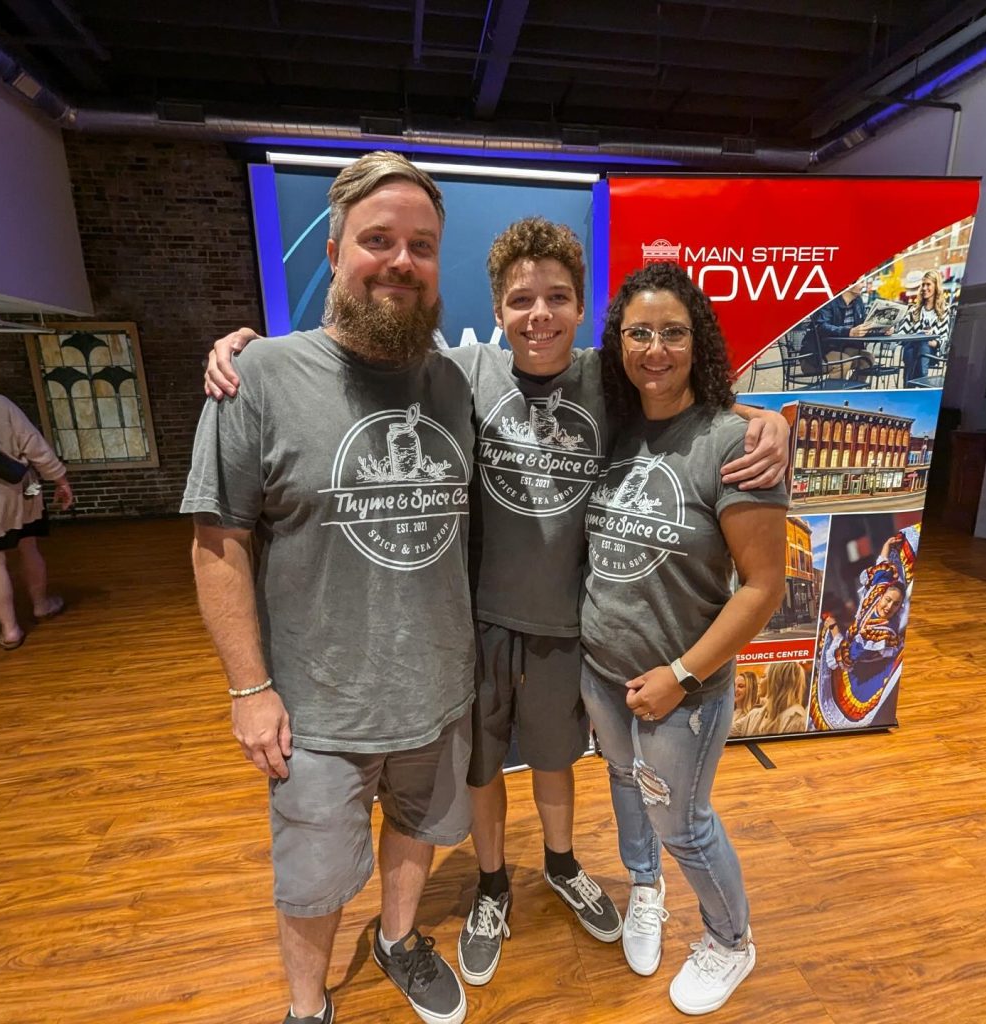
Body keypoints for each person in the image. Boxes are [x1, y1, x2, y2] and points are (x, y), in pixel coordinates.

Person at [203, 219, 790, 993]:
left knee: (555, 759)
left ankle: (560, 862)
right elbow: (356, 358)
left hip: (567, 627)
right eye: (520, 300)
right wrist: (247, 349)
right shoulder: (464, 370)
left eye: (556, 298)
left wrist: (770, 418)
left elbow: (682, 401)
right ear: (498, 307)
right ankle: (490, 883)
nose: (538, 314)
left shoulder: (602, 379)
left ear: (582, 309)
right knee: (483, 766)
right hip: (474, 623)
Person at [182, 152, 477, 1024]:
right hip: (314, 709)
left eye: (421, 245)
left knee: (419, 831)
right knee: (311, 878)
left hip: (439, 686)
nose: (400, 262)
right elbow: (216, 544)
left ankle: (396, 940)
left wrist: (750, 414)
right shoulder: (257, 377)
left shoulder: (454, 382)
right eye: (377, 239)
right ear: (336, 248)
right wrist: (249, 688)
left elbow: (611, 384)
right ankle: (308, 1007)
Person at [579, 261, 787, 1015]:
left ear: (697, 341)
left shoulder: (736, 443)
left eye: (673, 332)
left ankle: (731, 940)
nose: (656, 349)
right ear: (620, 343)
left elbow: (764, 588)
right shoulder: (618, 426)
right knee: (627, 787)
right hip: (602, 671)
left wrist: (683, 676)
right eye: (640, 332)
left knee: (685, 822)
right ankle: (643, 886)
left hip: (681, 689)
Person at [0, 391, 73, 650]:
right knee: (28, 545)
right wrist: (60, 480)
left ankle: (10, 629)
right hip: (20, 489)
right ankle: (41, 604)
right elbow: (33, 443)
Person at [812, 531, 913, 729]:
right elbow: (881, 567)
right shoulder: (878, 589)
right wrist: (887, 544)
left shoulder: (882, 633)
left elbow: (847, 657)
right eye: (888, 600)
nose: (888, 607)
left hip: (861, 668)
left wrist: (833, 627)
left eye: (895, 605)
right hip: (852, 638)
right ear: (882, 594)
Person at [806, 279, 887, 381]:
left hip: (842, 349)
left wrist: (883, 330)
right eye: (861, 282)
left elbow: (863, 328)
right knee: (843, 361)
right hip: (818, 353)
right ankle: (834, 395)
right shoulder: (828, 301)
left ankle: (852, 392)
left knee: (867, 358)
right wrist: (849, 332)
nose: (864, 285)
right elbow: (821, 327)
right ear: (849, 283)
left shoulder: (858, 302)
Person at [900, 269, 951, 384]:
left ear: (936, 287)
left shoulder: (944, 311)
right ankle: (920, 383)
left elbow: (943, 338)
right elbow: (902, 334)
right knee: (916, 343)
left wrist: (932, 341)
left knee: (923, 344)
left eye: (928, 284)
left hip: (931, 352)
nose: (924, 288)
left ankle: (910, 386)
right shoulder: (914, 310)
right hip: (912, 349)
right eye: (923, 284)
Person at [731, 662, 807, 736]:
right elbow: (726, 733)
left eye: (764, 676)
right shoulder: (754, 715)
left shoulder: (794, 716)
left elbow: (787, 747)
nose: (759, 682)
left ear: (776, 681)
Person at [729, 670, 760, 735]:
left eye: (740, 686)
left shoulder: (752, 716)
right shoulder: (728, 712)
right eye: (734, 685)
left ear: (750, 690)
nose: (735, 689)